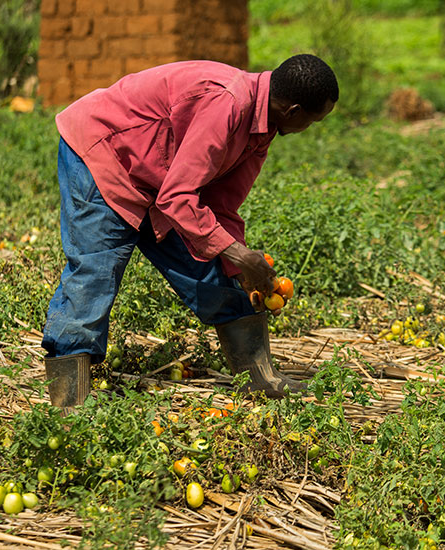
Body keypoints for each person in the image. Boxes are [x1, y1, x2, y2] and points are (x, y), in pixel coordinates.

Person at [42, 55, 339, 413]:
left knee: (214, 264)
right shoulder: (227, 103)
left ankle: (259, 377)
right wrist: (239, 255)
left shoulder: (262, 128)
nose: (311, 127)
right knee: (96, 269)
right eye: (314, 120)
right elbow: (178, 198)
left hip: (159, 177)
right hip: (104, 153)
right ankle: (69, 398)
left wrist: (240, 265)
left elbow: (221, 207)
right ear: (292, 110)